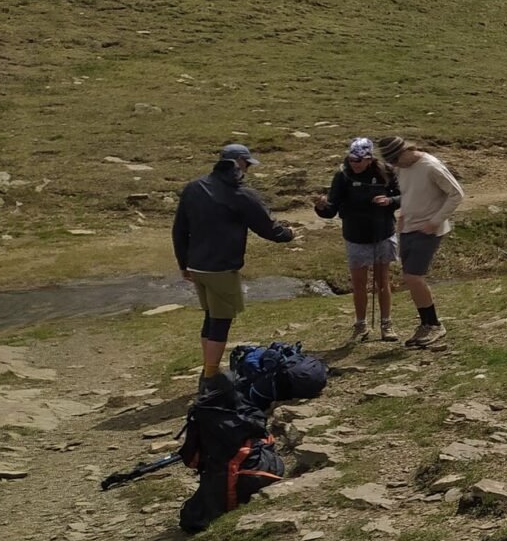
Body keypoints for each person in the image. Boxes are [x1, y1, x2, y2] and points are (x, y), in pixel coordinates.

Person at [172, 143, 294, 386]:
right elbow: (267, 227)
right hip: (221, 268)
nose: (247, 170)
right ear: (239, 163)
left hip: (197, 265)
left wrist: (183, 263)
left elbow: (179, 229)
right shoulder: (240, 194)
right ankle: (210, 376)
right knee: (221, 321)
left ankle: (209, 370)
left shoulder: (194, 187)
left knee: (210, 317)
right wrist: (288, 234)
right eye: (247, 164)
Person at [377, 135, 464, 348]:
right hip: (408, 227)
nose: (394, 166)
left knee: (413, 277)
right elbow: (408, 193)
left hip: (429, 229)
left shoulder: (431, 166)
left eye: (395, 160)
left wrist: (435, 221)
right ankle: (426, 323)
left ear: (405, 151)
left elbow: (456, 194)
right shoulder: (402, 167)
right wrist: (403, 215)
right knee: (411, 278)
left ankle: (433, 324)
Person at [311, 137, 401, 343]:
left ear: (369, 159)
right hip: (356, 235)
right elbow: (331, 210)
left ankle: (386, 324)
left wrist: (389, 201)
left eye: (358, 160)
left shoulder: (386, 172)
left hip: (382, 233)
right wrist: (322, 206)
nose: (354, 164)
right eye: (351, 159)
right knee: (359, 284)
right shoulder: (342, 176)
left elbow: (402, 197)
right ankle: (361, 325)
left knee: (382, 282)